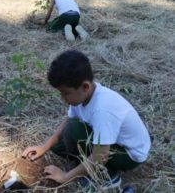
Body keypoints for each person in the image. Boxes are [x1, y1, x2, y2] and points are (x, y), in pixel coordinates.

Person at [22, 50, 151, 190]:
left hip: (129, 154)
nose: (63, 99)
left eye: (66, 93)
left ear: (85, 87)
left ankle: (108, 175)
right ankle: (84, 163)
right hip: (112, 144)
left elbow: (101, 155)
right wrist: (44, 147)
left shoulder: (102, 109)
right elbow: (69, 119)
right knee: (62, 141)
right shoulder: (83, 96)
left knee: (76, 130)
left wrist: (65, 177)